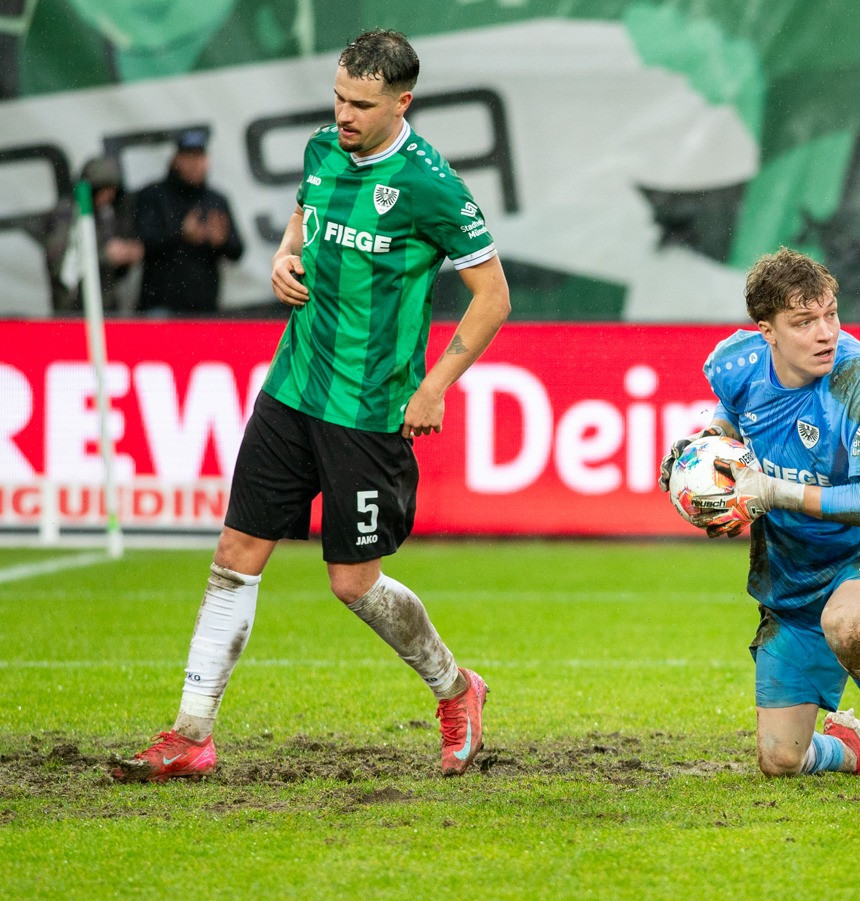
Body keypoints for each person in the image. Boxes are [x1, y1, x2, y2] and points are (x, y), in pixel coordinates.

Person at [112, 29, 512, 782]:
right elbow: (303, 219)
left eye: (361, 104)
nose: (344, 115)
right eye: (338, 98)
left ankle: (457, 687)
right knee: (235, 556)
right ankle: (192, 735)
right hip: (291, 388)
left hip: (368, 410)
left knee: (352, 583)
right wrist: (283, 257)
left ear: (403, 102)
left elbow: (493, 296)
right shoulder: (323, 150)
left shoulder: (431, 185)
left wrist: (434, 387)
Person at [660, 248, 860, 781]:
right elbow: (734, 412)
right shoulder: (732, 364)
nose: (825, 333)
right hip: (793, 569)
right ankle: (853, 751)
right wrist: (710, 447)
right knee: (782, 760)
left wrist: (775, 492)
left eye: (831, 314)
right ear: (768, 332)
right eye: (804, 322)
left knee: (848, 624)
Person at [133, 127, 244, 314]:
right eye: (189, 157)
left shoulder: (216, 200)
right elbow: (142, 244)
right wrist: (180, 234)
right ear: (176, 160)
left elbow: (238, 251)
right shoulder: (153, 195)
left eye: (199, 157)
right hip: (160, 305)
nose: (195, 164)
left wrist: (221, 242)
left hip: (204, 308)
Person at [43, 156, 143, 313]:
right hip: (74, 307)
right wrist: (105, 256)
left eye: (113, 191)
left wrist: (125, 256)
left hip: (106, 305)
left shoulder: (107, 214)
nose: (109, 196)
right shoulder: (66, 215)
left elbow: (113, 272)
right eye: (105, 190)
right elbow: (59, 265)